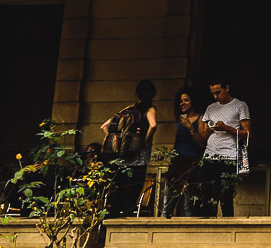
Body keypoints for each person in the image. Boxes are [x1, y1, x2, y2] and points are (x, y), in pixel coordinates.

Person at [101, 79, 158, 216]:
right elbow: (153, 125)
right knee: (133, 189)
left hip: (123, 156)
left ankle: (114, 215)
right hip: (139, 156)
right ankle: (125, 217)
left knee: (119, 188)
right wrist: (145, 141)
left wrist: (116, 142)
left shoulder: (128, 109)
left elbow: (103, 126)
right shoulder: (150, 109)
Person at [200, 81, 251, 218]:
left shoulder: (240, 105)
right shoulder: (211, 108)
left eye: (218, 92)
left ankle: (227, 232)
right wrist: (210, 129)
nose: (216, 96)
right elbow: (203, 135)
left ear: (227, 88)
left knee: (225, 196)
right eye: (213, 93)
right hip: (209, 156)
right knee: (206, 197)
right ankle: (207, 231)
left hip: (228, 156)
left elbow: (247, 133)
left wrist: (226, 128)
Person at [164, 87, 208, 217]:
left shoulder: (200, 118)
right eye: (180, 101)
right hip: (177, 161)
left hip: (191, 162)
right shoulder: (179, 121)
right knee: (168, 199)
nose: (182, 103)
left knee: (187, 202)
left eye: (186, 100)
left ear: (193, 101)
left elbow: (201, 143)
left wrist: (189, 126)